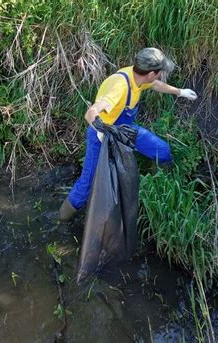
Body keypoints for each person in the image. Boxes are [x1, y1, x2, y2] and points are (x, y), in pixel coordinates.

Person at [59, 47, 198, 221]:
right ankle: (62, 220)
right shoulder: (120, 87)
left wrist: (179, 92)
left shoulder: (138, 77)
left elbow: (155, 85)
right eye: (160, 72)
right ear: (150, 73)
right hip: (100, 135)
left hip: (124, 130)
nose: (160, 75)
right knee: (86, 184)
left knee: (162, 151)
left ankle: (160, 190)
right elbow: (91, 112)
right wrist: (100, 128)